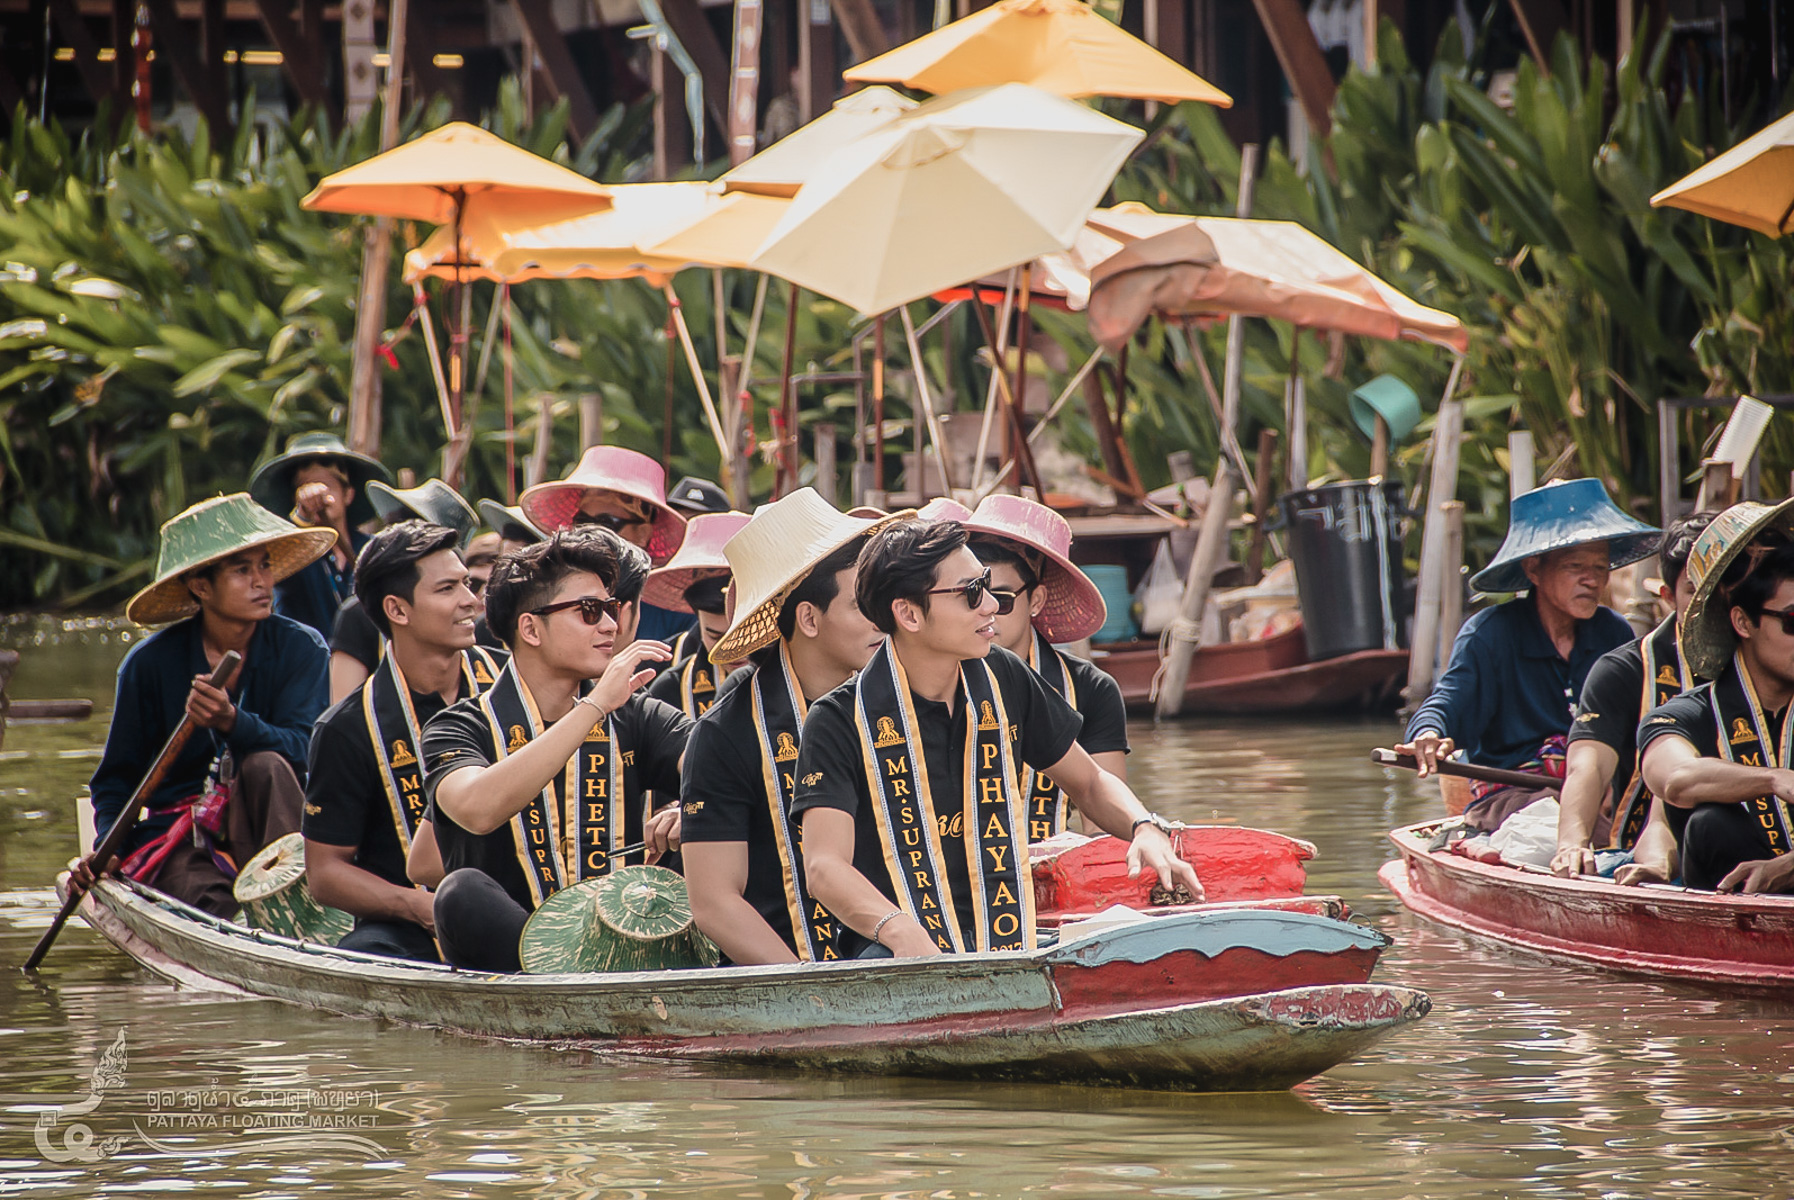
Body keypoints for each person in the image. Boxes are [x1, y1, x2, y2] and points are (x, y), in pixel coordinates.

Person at [791, 518, 1202, 959]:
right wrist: (901, 933)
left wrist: (1145, 827)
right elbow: (824, 867)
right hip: (895, 952)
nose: (991, 606)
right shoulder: (837, 719)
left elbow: (1089, 783)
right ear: (908, 613)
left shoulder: (1004, 676)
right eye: (971, 593)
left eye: (986, 586)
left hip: (1008, 934)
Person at [418, 529, 691, 972]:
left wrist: (692, 808)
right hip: (516, 958)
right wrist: (594, 707)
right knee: (459, 893)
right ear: (530, 628)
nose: (610, 625)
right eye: (589, 611)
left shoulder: (637, 715)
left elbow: (730, 772)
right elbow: (477, 808)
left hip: (632, 945)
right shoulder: (457, 726)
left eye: (610, 609)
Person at [86, 494, 332, 916]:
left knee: (267, 765)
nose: (262, 582)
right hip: (182, 836)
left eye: (265, 565)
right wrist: (109, 848)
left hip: (272, 826)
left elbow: (305, 748)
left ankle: (301, 898)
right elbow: (116, 783)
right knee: (213, 905)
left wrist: (233, 722)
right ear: (201, 586)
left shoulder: (301, 648)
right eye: (242, 570)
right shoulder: (148, 666)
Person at [681, 490, 900, 965]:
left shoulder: (901, 697)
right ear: (808, 618)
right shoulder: (726, 731)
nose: (884, 620)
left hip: (904, 955)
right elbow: (715, 902)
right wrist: (808, 994)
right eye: (863, 605)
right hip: (789, 983)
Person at [1398, 479, 1659, 832]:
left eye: (1599, 568)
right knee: (1576, 830)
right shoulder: (1490, 635)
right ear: (1534, 569)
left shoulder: (1613, 633)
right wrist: (1428, 733)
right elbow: (1447, 702)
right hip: (1514, 798)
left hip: (1601, 794)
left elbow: (1638, 720)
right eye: (1574, 567)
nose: (1591, 581)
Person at [302, 521, 506, 962]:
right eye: (448, 589)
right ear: (398, 610)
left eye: (468, 585)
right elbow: (325, 873)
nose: (471, 601)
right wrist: (418, 907)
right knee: (362, 956)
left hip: (518, 904)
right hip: (409, 926)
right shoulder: (347, 728)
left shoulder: (514, 682)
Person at [1640, 500, 1794, 894]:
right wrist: (1774, 779)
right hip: (1737, 896)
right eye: (1793, 621)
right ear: (1743, 621)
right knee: (1712, 824)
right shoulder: (1684, 715)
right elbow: (1676, 778)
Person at [1554, 513, 1715, 882]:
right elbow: (1588, 766)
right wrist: (1571, 845)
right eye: (1695, 590)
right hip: (1650, 840)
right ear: (1668, 596)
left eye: (1723, 588)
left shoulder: (1771, 660)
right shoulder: (1623, 669)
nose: (1711, 605)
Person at [962, 495, 1130, 838]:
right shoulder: (937, 678)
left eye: (1002, 601)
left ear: (1035, 600)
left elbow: (1101, 827)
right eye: (973, 596)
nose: (987, 611)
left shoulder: (1090, 689)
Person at [521, 446, 694, 647]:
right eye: (582, 522)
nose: (592, 536)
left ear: (642, 534)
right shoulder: (544, 596)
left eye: (606, 524)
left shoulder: (678, 614)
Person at [328, 478, 480, 704]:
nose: (470, 601)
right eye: (393, 527)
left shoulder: (494, 674)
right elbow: (344, 702)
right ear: (395, 609)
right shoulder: (356, 615)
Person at [248, 432, 391, 642]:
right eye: (306, 488)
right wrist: (303, 516)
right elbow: (274, 563)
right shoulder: (288, 554)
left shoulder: (373, 549)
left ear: (348, 494)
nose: (319, 496)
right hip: (306, 667)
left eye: (328, 487)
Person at [641, 511, 753, 718]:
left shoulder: (804, 677)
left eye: (744, 634)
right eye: (715, 637)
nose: (731, 649)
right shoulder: (670, 689)